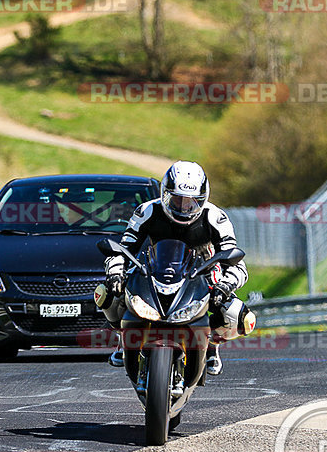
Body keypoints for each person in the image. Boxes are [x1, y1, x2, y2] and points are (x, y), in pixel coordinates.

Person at [103, 160, 250, 376]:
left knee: (238, 316)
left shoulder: (215, 217)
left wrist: (226, 285)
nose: (183, 207)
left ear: (203, 198)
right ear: (165, 194)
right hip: (155, 267)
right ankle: (123, 338)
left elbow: (236, 261)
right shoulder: (147, 210)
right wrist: (115, 272)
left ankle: (212, 344)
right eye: (177, 200)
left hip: (203, 271)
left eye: (191, 202)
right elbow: (123, 249)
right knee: (106, 292)